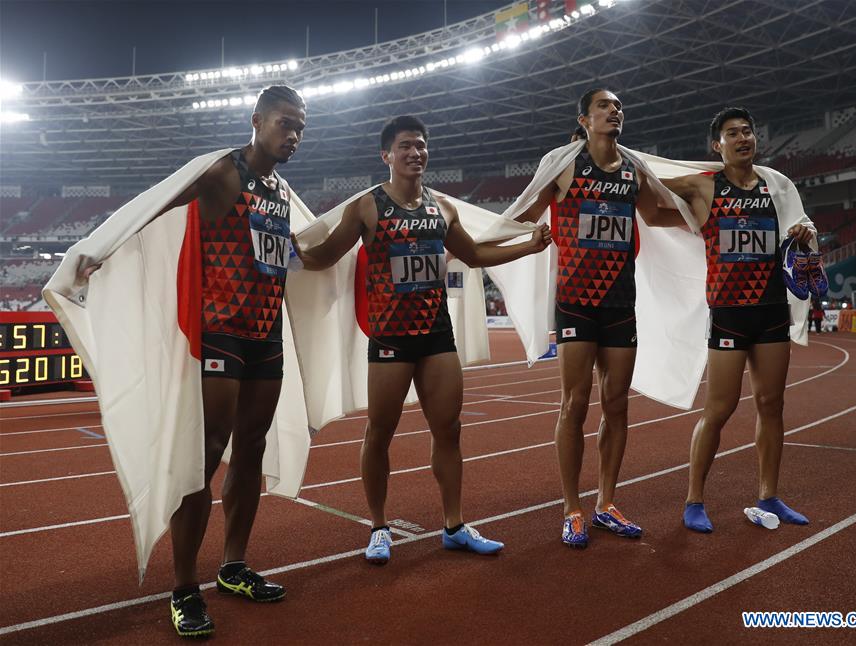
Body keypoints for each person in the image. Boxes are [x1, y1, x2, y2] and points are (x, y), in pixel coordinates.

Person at [81, 86, 305, 637]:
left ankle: (233, 565)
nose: (293, 134)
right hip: (221, 332)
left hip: (266, 336)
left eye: (300, 126)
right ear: (256, 121)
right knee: (204, 455)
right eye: (283, 123)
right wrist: (101, 247)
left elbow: (306, 250)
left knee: (251, 448)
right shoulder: (221, 173)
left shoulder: (281, 190)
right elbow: (157, 202)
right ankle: (184, 588)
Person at [294, 115, 551, 563]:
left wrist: (527, 247)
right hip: (391, 339)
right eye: (406, 146)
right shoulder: (368, 207)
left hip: (436, 337)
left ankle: (454, 525)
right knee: (379, 433)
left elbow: (473, 255)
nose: (416, 153)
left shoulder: (443, 208)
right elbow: (324, 256)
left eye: (421, 145)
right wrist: (284, 250)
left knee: (449, 430)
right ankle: (378, 528)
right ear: (386, 155)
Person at [514, 89, 666, 548]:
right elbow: (523, 212)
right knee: (574, 404)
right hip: (576, 301)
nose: (614, 111)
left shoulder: (635, 170)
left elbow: (659, 215)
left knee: (617, 404)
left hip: (621, 302)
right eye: (604, 106)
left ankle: (605, 503)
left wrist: (707, 219)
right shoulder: (563, 165)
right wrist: (526, 233)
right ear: (584, 119)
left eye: (619, 106)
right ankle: (572, 507)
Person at [655, 107, 815, 533]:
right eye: (732, 133)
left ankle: (769, 495)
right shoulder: (705, 187)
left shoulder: (776, 187)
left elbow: (801, 226)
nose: (743, 138)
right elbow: (649, 186)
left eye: (747, 131)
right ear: (717, 145)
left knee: (772, 405)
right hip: (728, 314)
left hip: (771, 311)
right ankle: (694, 500)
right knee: (719, 409)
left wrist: (804, 233)